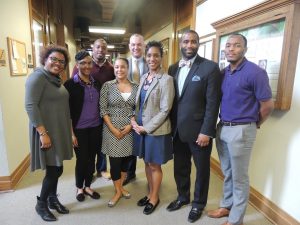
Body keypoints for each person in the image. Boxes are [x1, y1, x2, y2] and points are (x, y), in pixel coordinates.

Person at [207, 34, 274, 225]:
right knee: (227, 172)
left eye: (236, 46)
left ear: (245, 49)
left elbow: (268, 105)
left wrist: (255, 123)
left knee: (240, 178)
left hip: (242, 130)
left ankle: (236, 220)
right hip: (223, 128)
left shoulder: (255, 73)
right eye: (228, 46)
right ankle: (226, 207)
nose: (231, 49)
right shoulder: (223, 73)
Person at [166, 30, 222, 223]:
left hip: (200, 131)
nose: (189, 45)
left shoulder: (210, 68)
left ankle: (198, 204)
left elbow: (213, 103)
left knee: (202, 169)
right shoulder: (173, 68)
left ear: (198, 44)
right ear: (180, 44)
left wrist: (207, 130)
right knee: (180, 166)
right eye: (186, 42)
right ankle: (183, 197)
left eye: (193, 42)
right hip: (177, 130)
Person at [25, 45, 73, 222]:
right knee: (54, 170)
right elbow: (30, 105)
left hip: (58, 129)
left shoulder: (55, 79)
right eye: (53, 59)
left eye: (61, 61)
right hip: (46, 130)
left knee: (57, 167)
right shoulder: (37, 77)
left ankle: (53, 199)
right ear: (45, 59)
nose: (58, 63)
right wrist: (43, 133)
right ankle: (42, 203)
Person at [132, 41, 175, 215]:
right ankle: (150, 193)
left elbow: (166, 109)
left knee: (154, 165)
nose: (152, 58)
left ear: (161, 57)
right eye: (149, 55)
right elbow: (139, 103)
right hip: (140, 127)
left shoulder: (166, 80)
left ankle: (155, 197)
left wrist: (146, 128)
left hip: (155, 130)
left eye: (156, 55)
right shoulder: (144, 77)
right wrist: (134, 120)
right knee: (146, 163)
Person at [72, 38, 114, 180]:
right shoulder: (83, 64)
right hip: (84, 113)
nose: (100, 50)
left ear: (106, 50)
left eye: (103, 47)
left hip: (103, 112)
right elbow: (73, 87)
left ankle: (101, 169)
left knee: (101, 142)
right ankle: (85, 174)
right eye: (97, 47)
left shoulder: (111, 68)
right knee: (85, 148)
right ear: (93, 48)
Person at [100, 57, 138, 207]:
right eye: (116, 67)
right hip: (111, 128)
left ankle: (121, 186)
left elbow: (137, 108)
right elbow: (103, 109)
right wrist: (113, 128)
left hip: (130, 128)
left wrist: (130, 125)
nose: (119, 70)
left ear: (128, 69)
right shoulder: (107, 86)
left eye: (122, 67)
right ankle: (117, 191)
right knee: (115, 162)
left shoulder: (136, 86)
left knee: (126, 161)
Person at [64, 51, 101, 202]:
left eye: (89, 63)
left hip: (96, 127)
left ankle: (88, 186)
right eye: (83, 63)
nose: (86, 66)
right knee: (82, 159)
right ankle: (79, 187)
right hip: (79, 129)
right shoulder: (70, 85)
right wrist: (71, 134)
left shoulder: (96, 83)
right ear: (77, 65)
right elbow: (66, 112)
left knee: (92, 158)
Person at [123, 33, 149, 186]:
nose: (136, 47)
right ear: (129, 46)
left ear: (143, 46)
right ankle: (130, 173)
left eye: (139, 44)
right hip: (127, 107)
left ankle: (150, 173)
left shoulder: (151, 62)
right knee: (129, 142)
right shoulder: (123, 63)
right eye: (133, 44)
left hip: (146, 109)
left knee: (146, 139)